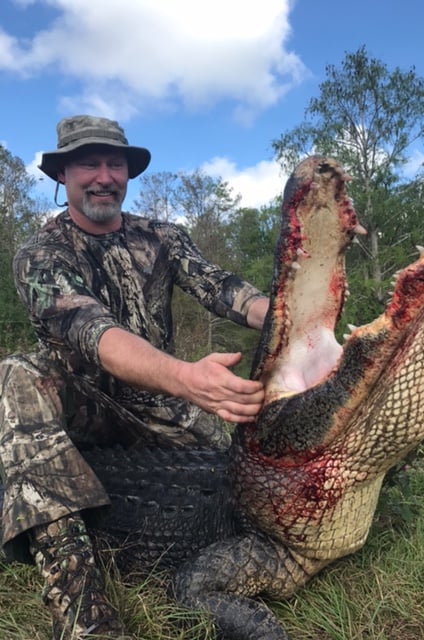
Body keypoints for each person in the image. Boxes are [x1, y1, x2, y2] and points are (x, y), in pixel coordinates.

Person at [0, 115, 269, 639]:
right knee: (15, 375)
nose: (103, 175)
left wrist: (291, 312)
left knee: (241, 461)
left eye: (114, 163)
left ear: (127, 172)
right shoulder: (41, 254)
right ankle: (84, 613)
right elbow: (91, 330)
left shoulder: (163, 237)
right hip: (86, 410)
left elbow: (222, 288)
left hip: (166, 413)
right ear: (62, 175)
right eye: (87, 163)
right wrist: (185, 377)